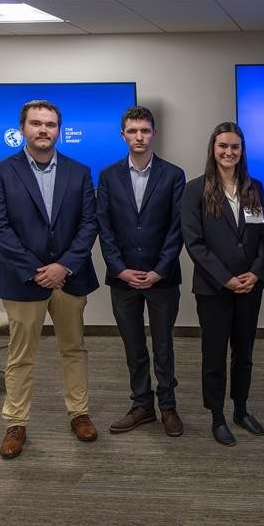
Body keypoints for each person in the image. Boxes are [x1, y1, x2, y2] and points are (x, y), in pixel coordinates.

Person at [0, 100, 99, 459]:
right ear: (23, 128)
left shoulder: (79, 172)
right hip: (23, 281)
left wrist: (63, 266)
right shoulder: (0, 172)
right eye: (36, 123)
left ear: (58, 129)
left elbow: (89, 223)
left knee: (74, 348)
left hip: (69, 278)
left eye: (50, 124)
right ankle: (15, 423)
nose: (43, 130)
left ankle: (79, 413)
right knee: (21, 355)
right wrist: (38, 270)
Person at [181, 122, 264, 446]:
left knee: (244, 352)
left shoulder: (254, 188)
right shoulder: (195, 190)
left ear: (242, 151)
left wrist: (256, 273)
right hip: (213, 289)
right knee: (214, 353)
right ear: (213, 149)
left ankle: (241, 409)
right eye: (223, 146)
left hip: (250, 287)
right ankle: (217, 416)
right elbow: (194, 244)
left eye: (235, 147)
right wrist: (226, 278)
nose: (228, 152)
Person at [97, 106, 186, 437]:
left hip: (162, 278)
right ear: (123, 134)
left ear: (153, 133)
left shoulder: (173, 175)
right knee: (133, 345)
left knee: (163, 345)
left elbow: (177, 228)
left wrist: (160, 270)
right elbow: (103, 228)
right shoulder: (107, 176)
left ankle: (168, 406)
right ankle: (142, 405)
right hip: (122, 280)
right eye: (132, 131)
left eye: (144, 131)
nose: (139, 136)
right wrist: (119, 270)